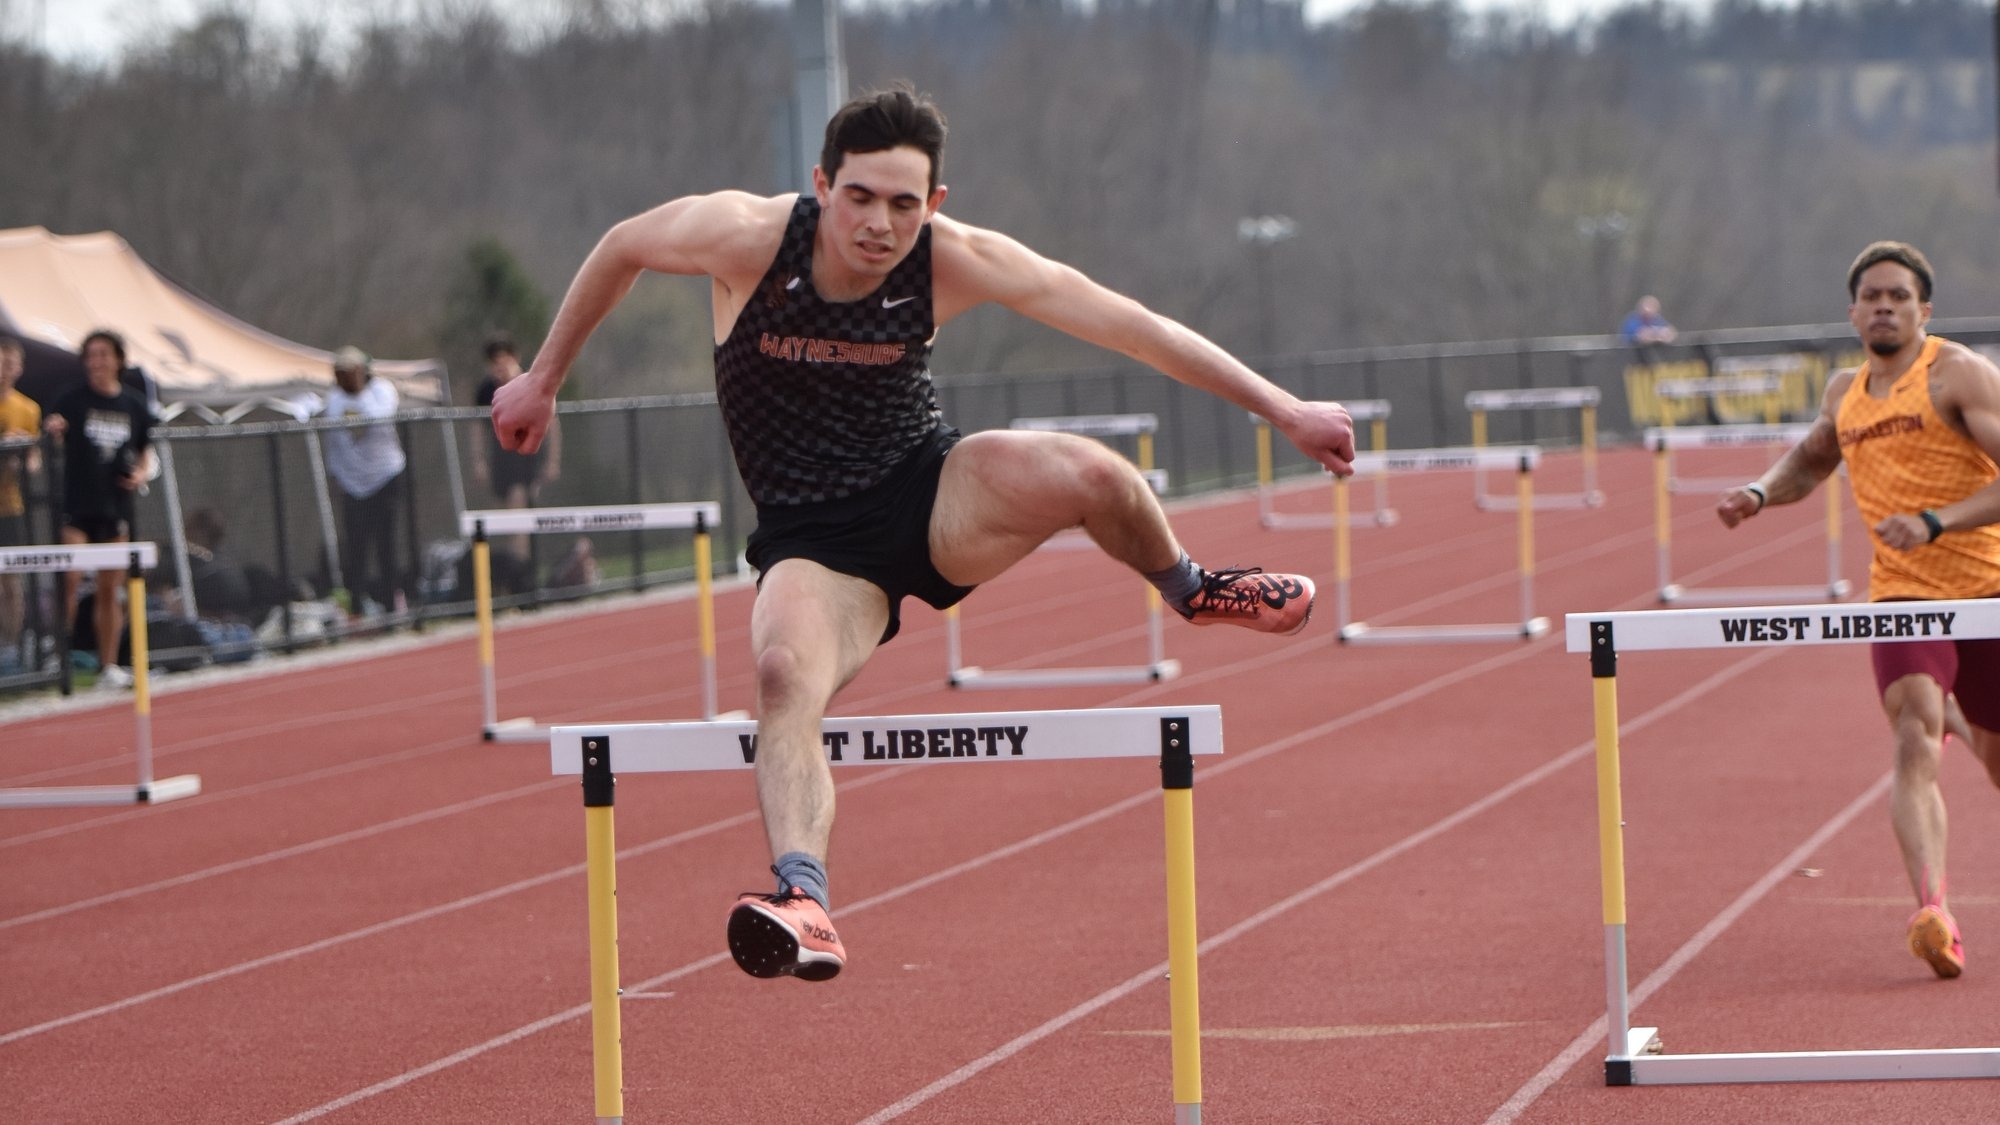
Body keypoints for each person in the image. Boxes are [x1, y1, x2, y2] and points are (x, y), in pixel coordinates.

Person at [492, 86, 1356, 983]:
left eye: (904, 204)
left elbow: (1134, 327)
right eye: (860, 197)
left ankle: (1192, 585)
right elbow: (623, 244)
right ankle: (804, 897)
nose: (879, 225)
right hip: (816, 546)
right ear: (822, 184)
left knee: (1091, 472)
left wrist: (1284, 408)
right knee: (785, 674)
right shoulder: (746, 238)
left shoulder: (952, 259)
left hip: (929, 494)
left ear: (933, 205)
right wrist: (545, 378)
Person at [1718, 241, 2000, 980]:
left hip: (1988, 592)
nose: (1883, 306)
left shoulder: (1959, 374)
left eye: (1898, 296)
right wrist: (1756, 494)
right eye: (1871, 295)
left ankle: (1962, 718)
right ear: (1852, 312)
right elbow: (1812, 459)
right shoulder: (1845, 390)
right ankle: (1934, 910)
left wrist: (1938, 521)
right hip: (1903, 596)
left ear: (1923, 309)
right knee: (1913, 735)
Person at [42, 329, 154, 688]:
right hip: (78, 505)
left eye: (103, 355)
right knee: (70, 580)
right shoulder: (73, 399)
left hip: (115, 509)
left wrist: (140, 472)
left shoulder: (134, 405)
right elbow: (53, 422)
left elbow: (145, 452)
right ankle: (57, 659)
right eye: (90, 355)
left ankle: (108, 667)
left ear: (118, 360)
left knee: (110, 589)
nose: (96, 362)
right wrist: (54, 428)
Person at [318, 345, 408, 620]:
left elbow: (380, 418)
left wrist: (358, 391)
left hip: (384, 476)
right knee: (356, 547)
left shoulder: (381, 390)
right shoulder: (333, 400)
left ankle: (392, 605)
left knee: (386, 544)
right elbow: (333, 440)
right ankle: (356, 606)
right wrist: (335, 475)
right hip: (352, 482)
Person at [472, 336, 560, 585]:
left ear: (515, 359)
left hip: (528, 456)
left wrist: (552, 461)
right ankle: (518, 571)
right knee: (511, 518)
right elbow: (477, 428)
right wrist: (479, 461)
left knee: (519, 504)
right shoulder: (485, 390)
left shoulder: (530, 383)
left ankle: (523, 573)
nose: (499, 368)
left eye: (504, 362)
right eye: (494, 364)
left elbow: (552, 423)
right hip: (501, 457)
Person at [0, 336, 42, 666]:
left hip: (10, 506)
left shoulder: (27, 409)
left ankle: (11, 649)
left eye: (9, 364)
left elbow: (35, 458)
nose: (3, 370)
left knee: (11, 583)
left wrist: (21, 457)